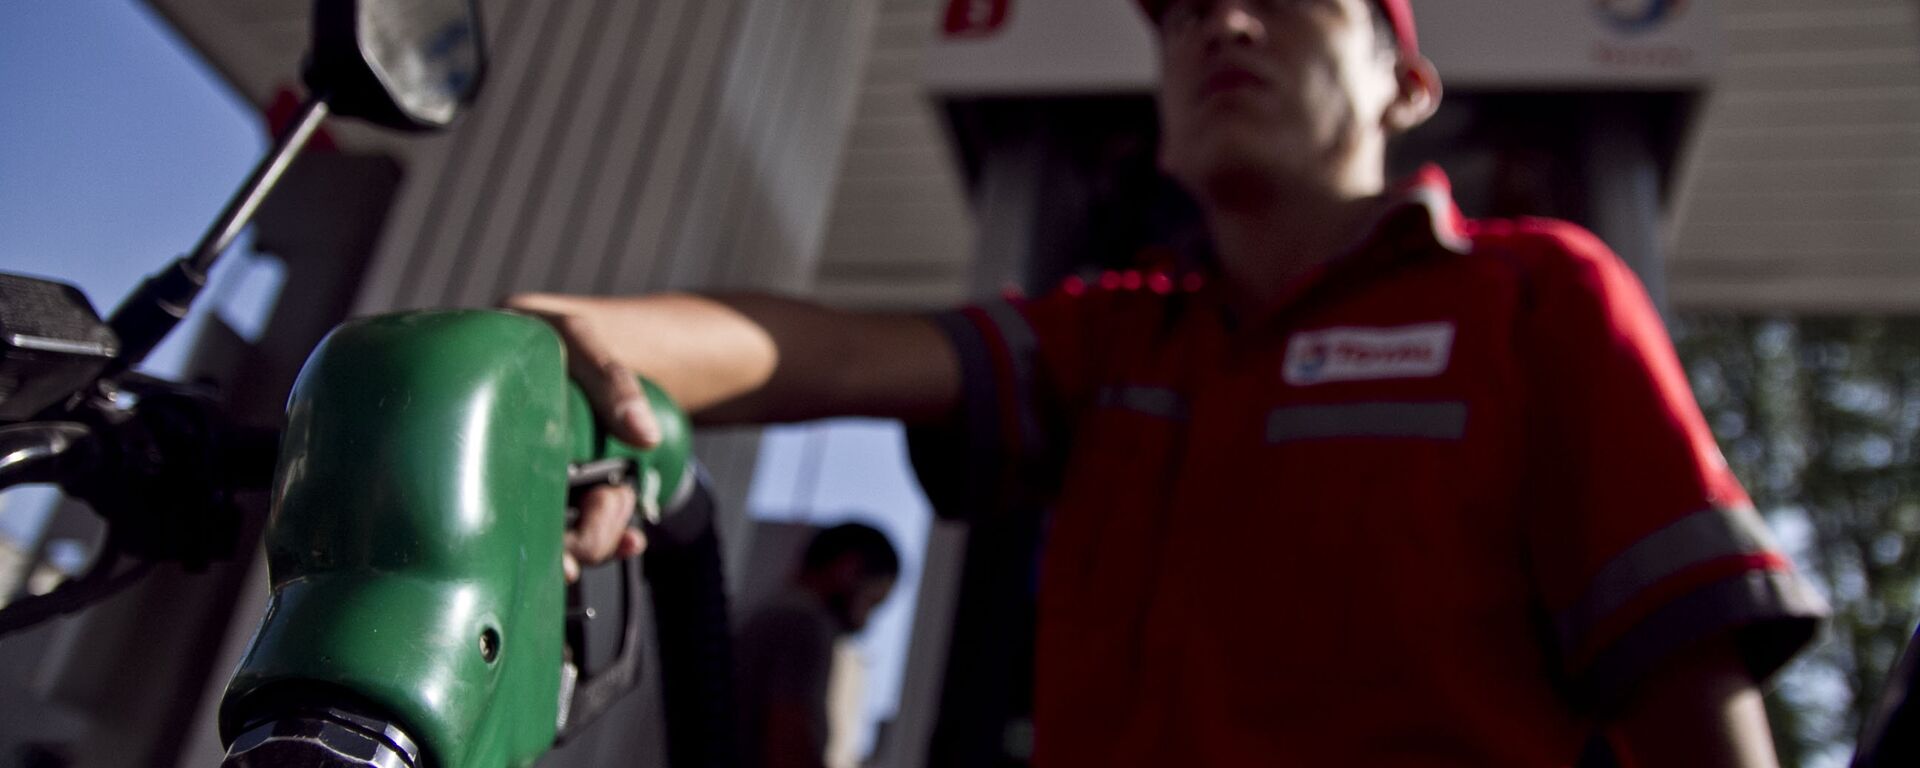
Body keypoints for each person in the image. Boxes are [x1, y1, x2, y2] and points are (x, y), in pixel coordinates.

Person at [513, 0, 1828, 764]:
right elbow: (837, 355)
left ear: (1406, 83)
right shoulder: (1122, 339)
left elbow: (1689, 681)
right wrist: (539, 353)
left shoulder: (1538, 293)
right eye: (1187, 11)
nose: (1223, 25)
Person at [734, 523, 900, 768]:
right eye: (872, 601)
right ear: (848, 569)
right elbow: (788, 745)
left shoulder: (768, 613)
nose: (866, 622)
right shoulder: (804, 624)